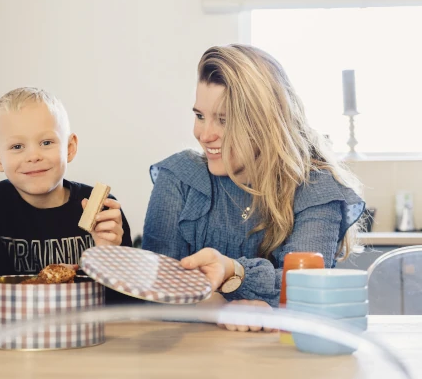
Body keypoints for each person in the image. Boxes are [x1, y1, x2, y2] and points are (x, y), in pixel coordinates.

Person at [143, 44, 365, 330]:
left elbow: (305, 290)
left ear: (265, 124)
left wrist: (234, 272)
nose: (204, 135)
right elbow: (156, 292)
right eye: (200, 116)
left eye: (224, 120)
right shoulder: (179, 177)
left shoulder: (316, 188)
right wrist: (220, 308)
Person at [0, 87, 133, 303]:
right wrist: (50, 280)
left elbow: (126, 305)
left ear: (70, 147)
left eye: (46, 143)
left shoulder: (104, 209)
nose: (33, 156)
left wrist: (109, 256)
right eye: (17, 146)